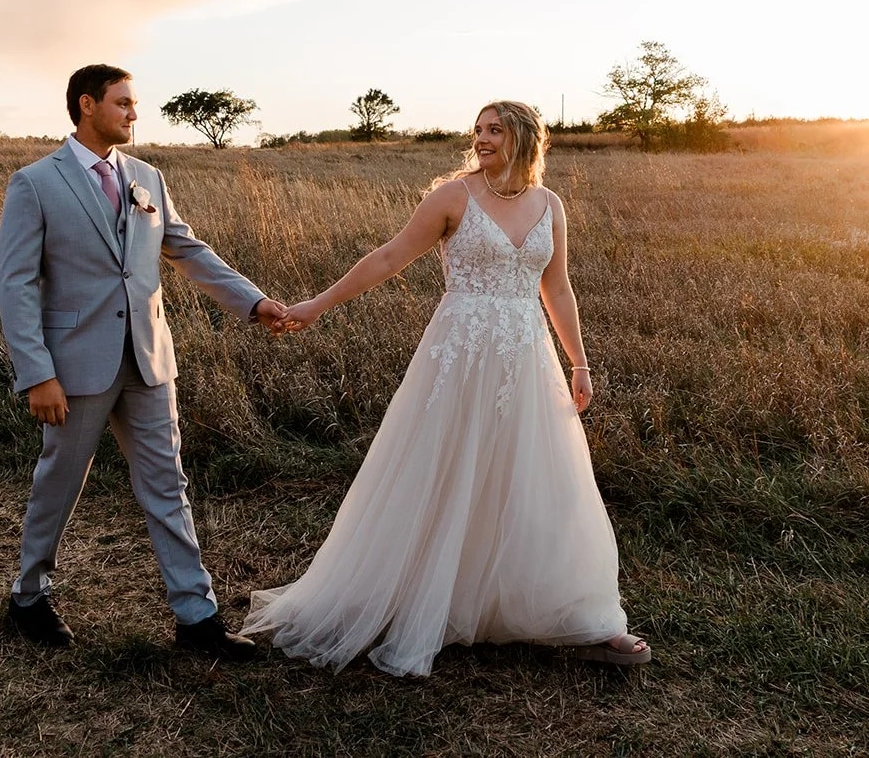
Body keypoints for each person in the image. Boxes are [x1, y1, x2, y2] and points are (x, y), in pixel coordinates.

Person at [244, 100, 649, 676]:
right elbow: (389, 257)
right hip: (459, 356)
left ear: (525, 138)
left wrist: (579, 362)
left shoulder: (550, 204)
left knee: (535, 475)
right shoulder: (453, 197)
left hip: (526, 359)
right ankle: (416, 598)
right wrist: (317, 305)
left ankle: (571, 614)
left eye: (495, 130)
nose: (481, 138)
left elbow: (556, 288)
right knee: (444, 465)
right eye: (478, 129)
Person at [0, 63, 289, 657]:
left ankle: (196, 618)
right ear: (87, 105)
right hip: (74, 366)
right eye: (123, 103)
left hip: (150, 359)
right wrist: (38, 373)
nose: (134, 113)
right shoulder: (35, 183)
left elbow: (186, 249)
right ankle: (28, 597)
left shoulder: (147, 177)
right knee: (60, 483)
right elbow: (16, 284)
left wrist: (253, 302)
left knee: (167, 483)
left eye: (133, 103)